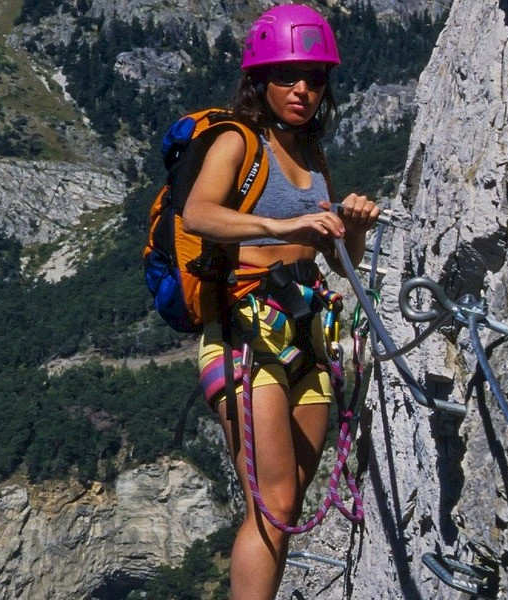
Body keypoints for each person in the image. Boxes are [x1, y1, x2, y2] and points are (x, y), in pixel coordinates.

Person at [179, 5, 379, 599]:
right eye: (289, 75)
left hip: (305, 331)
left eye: (315, 78)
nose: (303, 89)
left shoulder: (312, 157)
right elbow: (199, 212)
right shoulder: (238, 142)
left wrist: (354, 224)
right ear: (260, 80)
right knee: (273, 503)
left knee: (287, 499)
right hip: (246, 332)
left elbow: (345, 258)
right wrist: (280, 228)